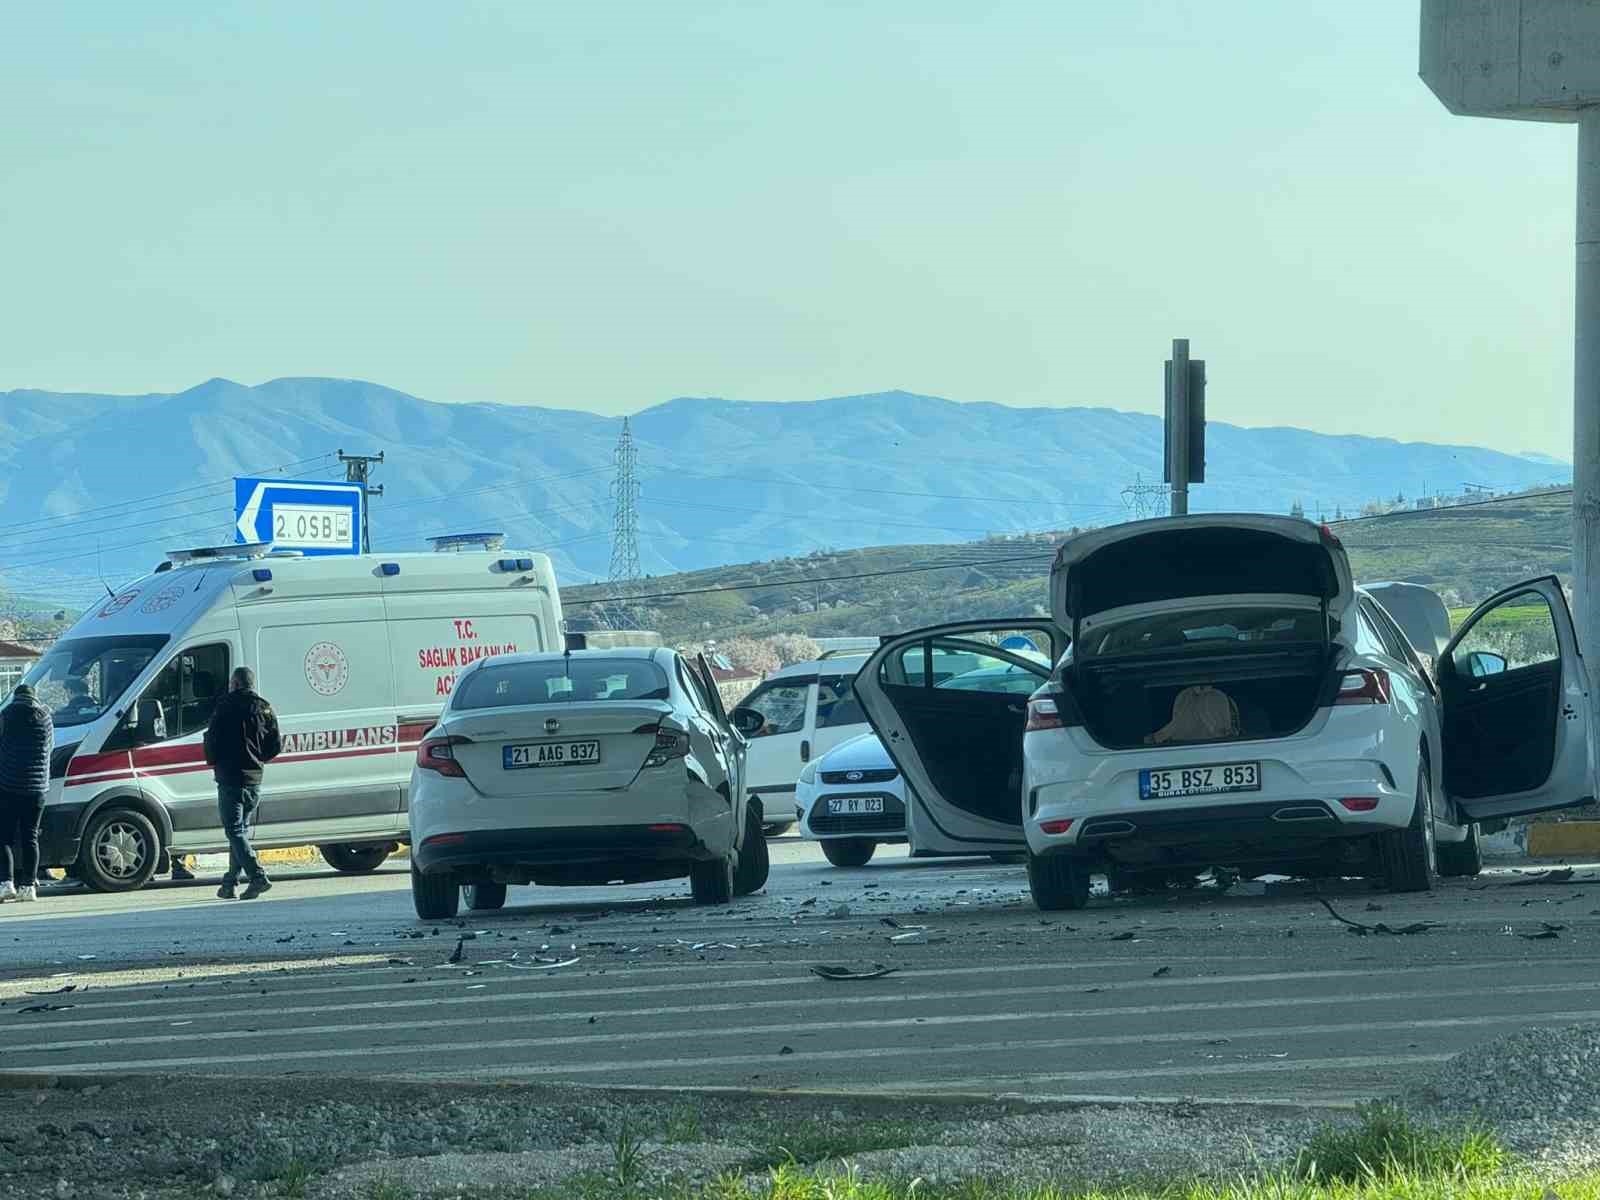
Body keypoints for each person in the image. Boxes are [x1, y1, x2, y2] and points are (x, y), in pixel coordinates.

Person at [203, 667, 281, 901]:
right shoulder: (265, 707)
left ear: (235, 683)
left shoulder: (224, 707)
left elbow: (212, 740)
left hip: (230, 778)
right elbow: (274, 745)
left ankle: (258, 876)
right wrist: (258, 760)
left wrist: (214, 760)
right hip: (254, 779)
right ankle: (229, 884)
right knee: (240, 832)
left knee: (234, 831)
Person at [0, 683, 55, 903]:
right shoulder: (46, 718)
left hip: (8, 785)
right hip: (37, 789)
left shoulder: (5, 715)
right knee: (30, 837)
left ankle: (6, 883)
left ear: (16, 697)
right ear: (34, 697)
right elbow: (49, 748)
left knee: (4, 837)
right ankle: (28, 887)